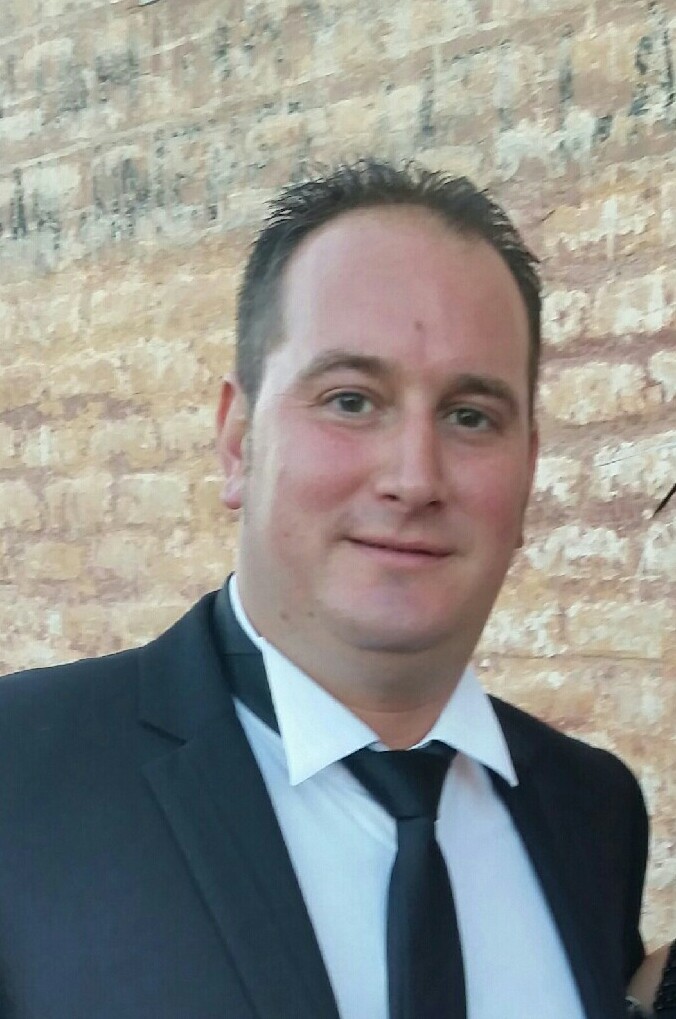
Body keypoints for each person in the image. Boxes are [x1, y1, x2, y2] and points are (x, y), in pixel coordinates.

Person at [0, 160, 649, 1019]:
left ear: (529, 468)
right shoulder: (22, 775)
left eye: (470, 416)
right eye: (351, 400)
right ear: (238, 440)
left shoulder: (594, 812)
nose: (414, 478)